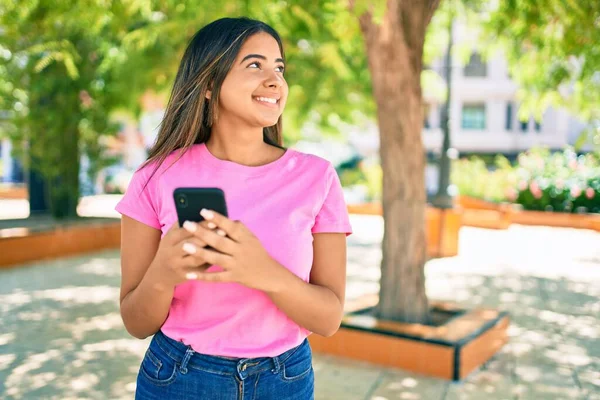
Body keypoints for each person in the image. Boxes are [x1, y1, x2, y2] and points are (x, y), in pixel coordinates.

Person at [115, 17, 352, 400]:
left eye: (279, 67)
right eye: (255, 65)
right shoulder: (155, 177)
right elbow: (136, 322)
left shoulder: (317, 177)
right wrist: (163, 273)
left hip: (284, 380)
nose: (275, 80)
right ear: (209, 84)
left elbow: (328, 319)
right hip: (179, 377)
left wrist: (263, 272)